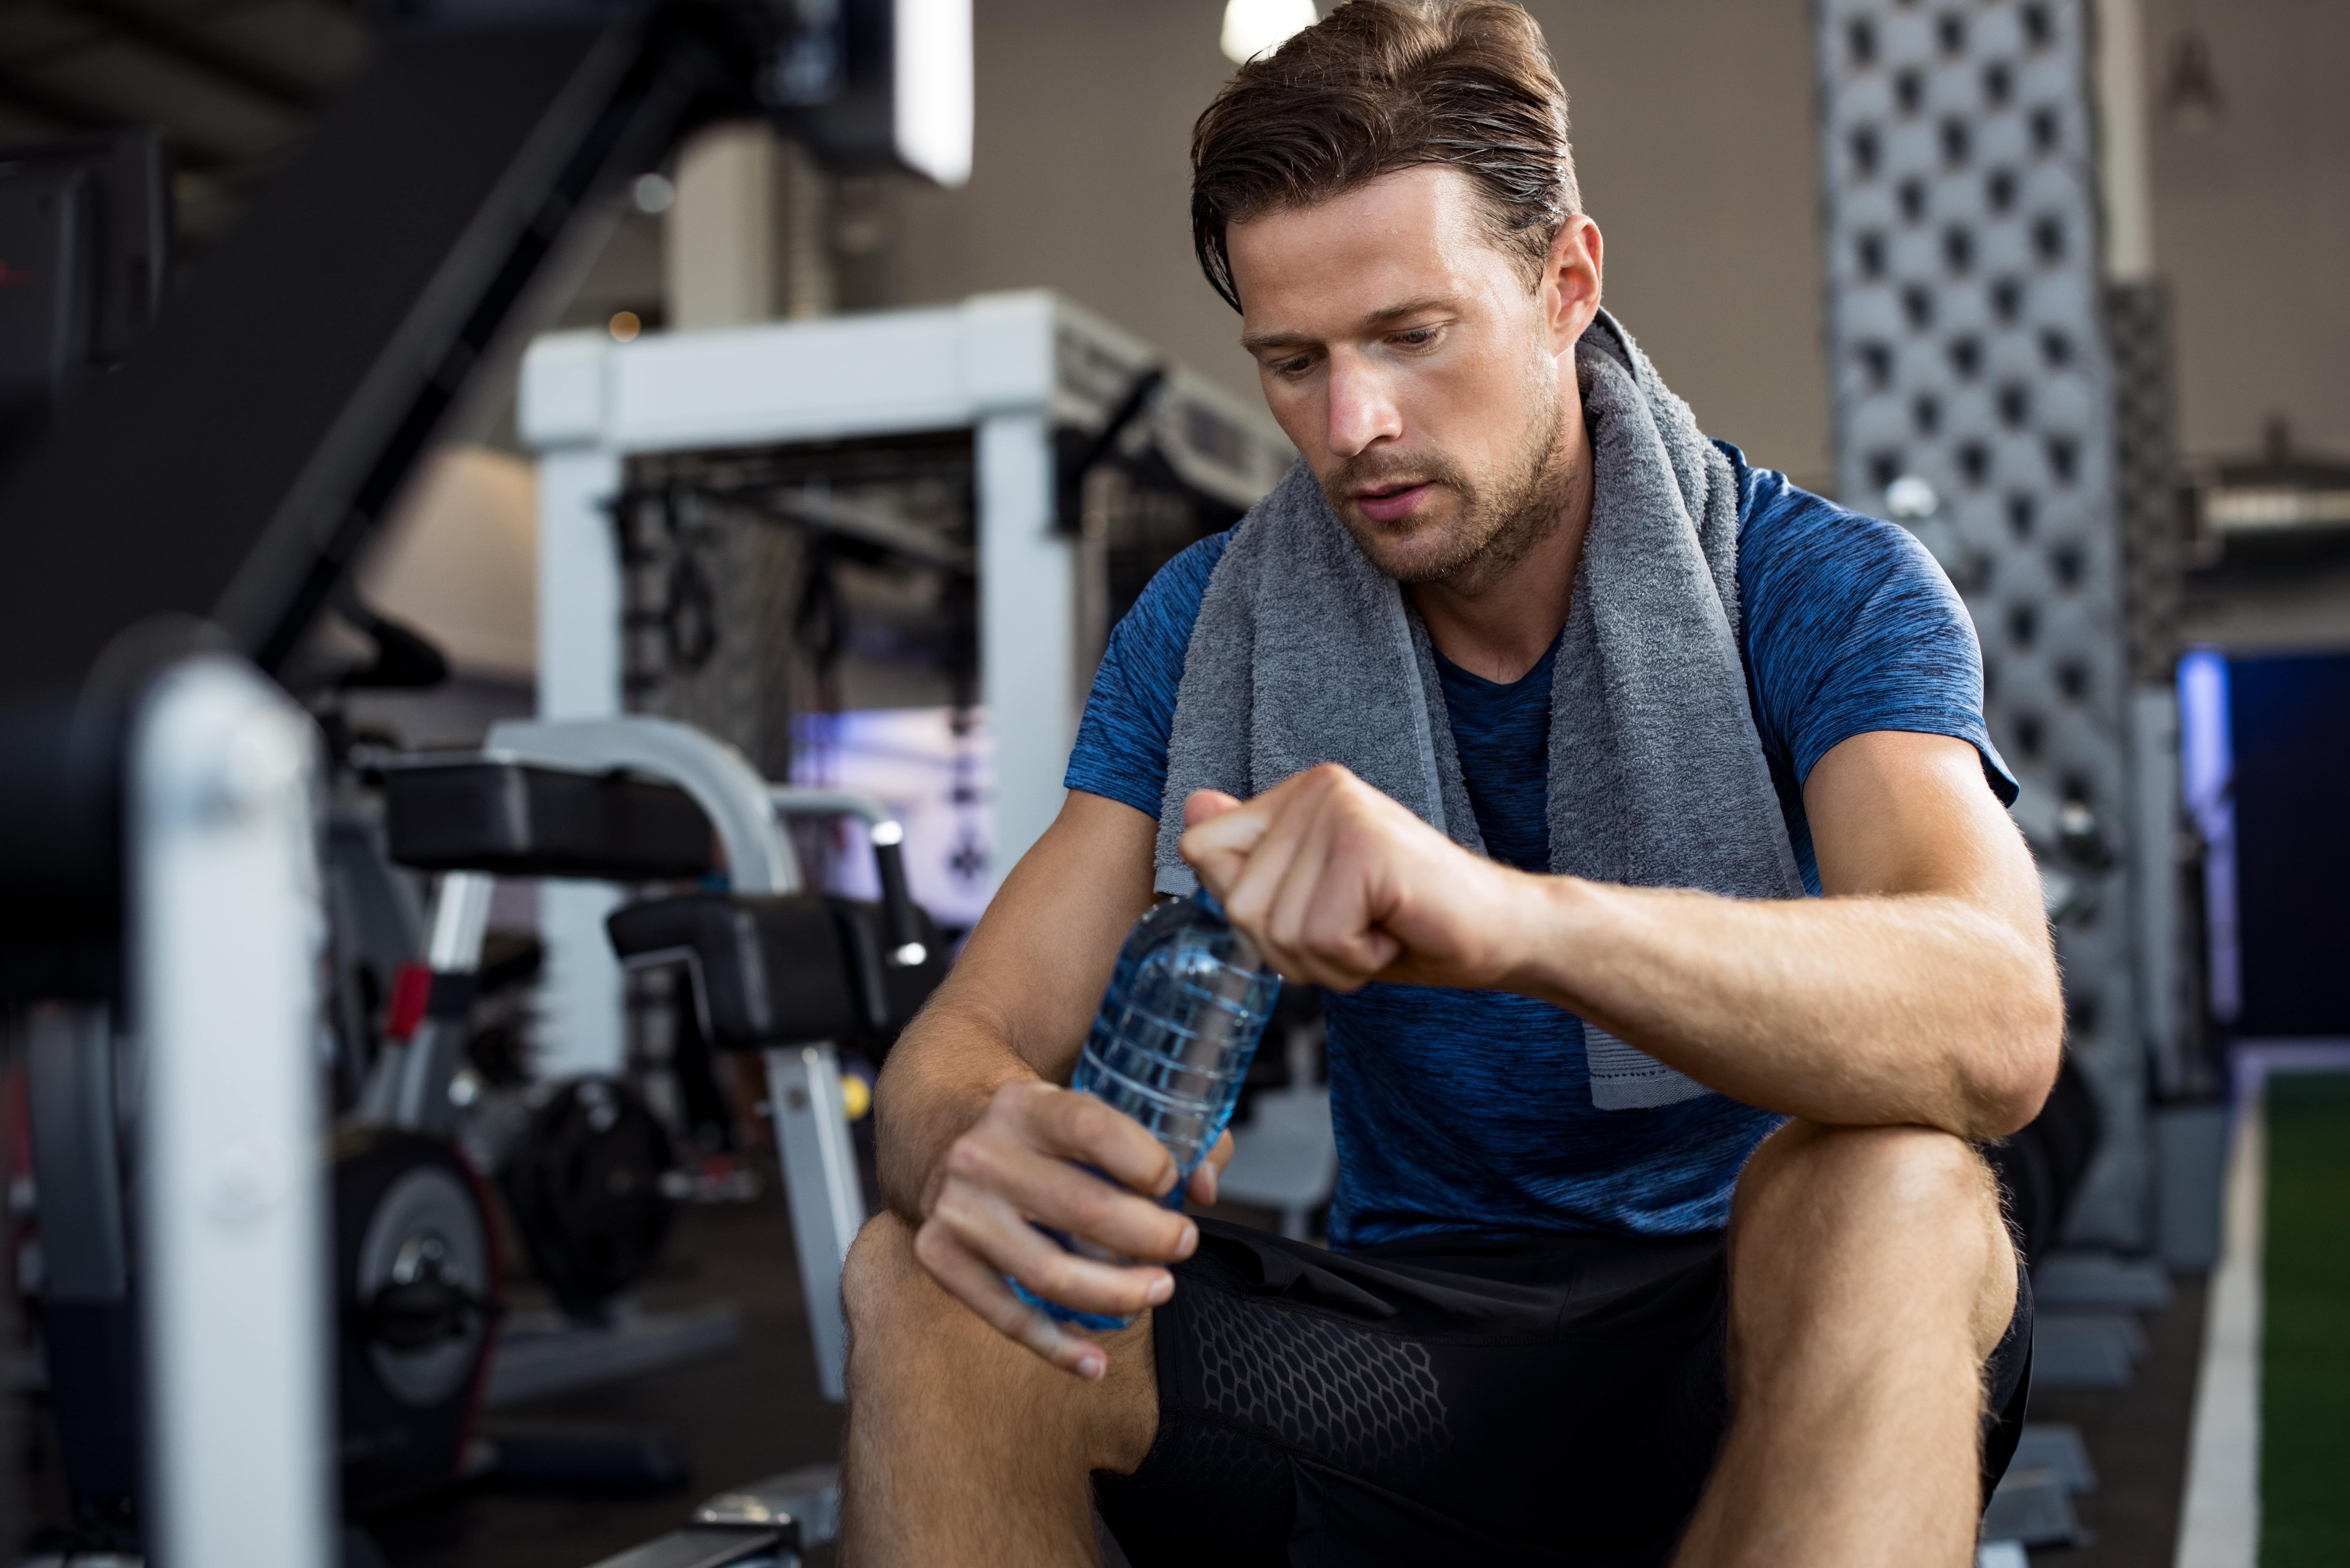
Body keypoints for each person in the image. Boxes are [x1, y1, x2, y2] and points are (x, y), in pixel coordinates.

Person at [839, 3, 2062, 1563]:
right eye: (1295, 362)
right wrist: (976, 1141)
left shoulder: (1816, 587)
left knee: (1900, 1190)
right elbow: (968, 1040)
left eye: (1412, 336)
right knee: (922, 1280)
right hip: (1404, 1357)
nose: (1353, 429)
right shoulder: (1212, 621)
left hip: (1745, 1327)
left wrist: (1507, 921)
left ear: (1566, 283)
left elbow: (1995, 1017)